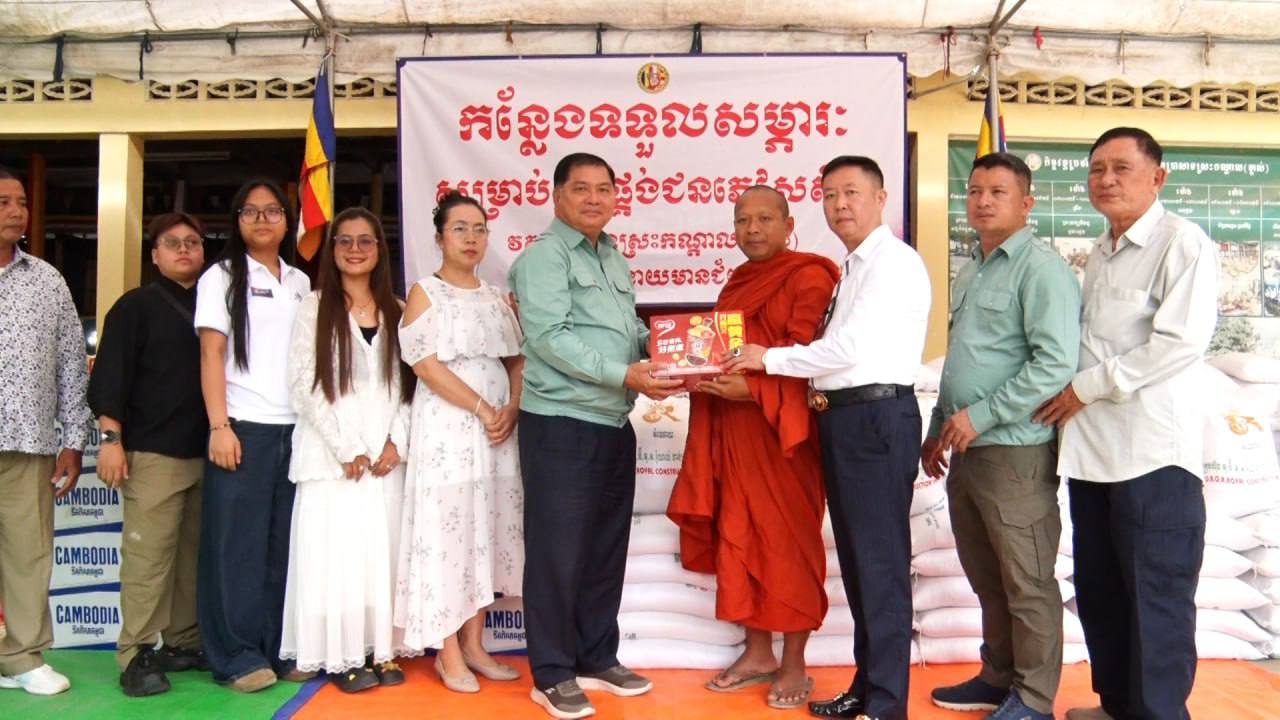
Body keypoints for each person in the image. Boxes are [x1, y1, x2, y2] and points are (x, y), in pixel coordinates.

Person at [725, 156, 930, 720]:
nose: (840, 205)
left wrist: (768, 359)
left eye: (852, 193)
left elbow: (846, 351)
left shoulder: (892, 263)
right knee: (862, 567)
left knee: (880, 566)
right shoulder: (854, 266)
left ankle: (886, 706)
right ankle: (867, 687)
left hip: (875, 419)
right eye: (830, 195)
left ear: (881, 198)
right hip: (844, 420)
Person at [1035, 127, 1218, 720]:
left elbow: (1179, 343)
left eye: (1121, 168)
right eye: (1097, 169)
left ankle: (1158, 713)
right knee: (1102, 589)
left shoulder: (1180, 242)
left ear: (1157, 177)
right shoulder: (1101, 249)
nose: (1106, 180)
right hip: (1092, 454)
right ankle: (1116, 705)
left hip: (1152, 456)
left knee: (1157, 596)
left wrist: (1084, 388)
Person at [509, 153, 682, 720]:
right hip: (561, 423)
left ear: (615, 197)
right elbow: (549, 337)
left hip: (611, 423)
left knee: (605, 549)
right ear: (557, 195)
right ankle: (552, 673)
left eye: (603, 189)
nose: (593, 199)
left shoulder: (611, 255)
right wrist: (624, 374)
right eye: (580, 188)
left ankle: (596, 657)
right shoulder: (545, 256)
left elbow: (628, 329)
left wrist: (668, 351)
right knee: (557, 553)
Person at [921, 153, 1081, 720]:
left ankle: (1034, 699)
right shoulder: (973, 269)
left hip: (1015, 452)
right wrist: (938, 427)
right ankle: (997, 677)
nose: (983, 201)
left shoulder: (1042, 270)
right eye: (975, 191)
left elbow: (1054, 364)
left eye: (998, 192)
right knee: (987, 576)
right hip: (967, 448)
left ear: (1027, 203)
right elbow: (964, 360)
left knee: (1027, 580)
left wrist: (981, 416)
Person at [667, 186, 837, 710]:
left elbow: (809, 356)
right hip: (735, 431)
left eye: (765, 218)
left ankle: (794, 663)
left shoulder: (810, 276)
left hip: (785, 434)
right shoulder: (737, 282)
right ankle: (758, 652)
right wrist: (699, 376)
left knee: (790, 542)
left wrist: (753, 388)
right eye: (743, 220)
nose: (753, 229)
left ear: (789, 225)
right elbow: (722, 352)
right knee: (740, 534)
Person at [395, 191, 526, 693]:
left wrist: (511, 407)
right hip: (448, 427)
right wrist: (482, 407)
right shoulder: (425, 292)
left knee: (484, 528)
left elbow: (517, 359)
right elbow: (425, 365)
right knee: (448, 532)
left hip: (497, 431)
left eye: (479, 229)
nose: (471, 238)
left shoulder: (495, 297)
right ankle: (447, 650)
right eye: (459, 229)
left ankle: (475, 643)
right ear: (439, 237)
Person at [280, 208, 413, 693]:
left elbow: (410, 386)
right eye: (344, 241)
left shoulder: (398, 309)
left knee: (381, 556)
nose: (355, 249)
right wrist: (347, 447)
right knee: (337, 558)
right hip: (332, 459)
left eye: (365, 241)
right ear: (332, 250)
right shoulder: (314, 308)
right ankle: (341, 657)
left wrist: (397, 441)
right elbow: (303, 384)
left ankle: (380, 650)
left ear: (380, 250)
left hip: (384, 460)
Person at [194, 178, 311, 693]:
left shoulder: (300, 282)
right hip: (242, 427)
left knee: (283, 545)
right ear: (236, 220)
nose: (262, 220)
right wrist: (219, 425)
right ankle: (235, 655)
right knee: (236, 547)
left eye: (272, 211)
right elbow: (211, 353)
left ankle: (276, 648)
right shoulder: (220, 276)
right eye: (250, 211)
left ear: (287, 221)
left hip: (297, 430)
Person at [88, 212, 212, 697]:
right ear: (154, 254)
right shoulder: (135, 306)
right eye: (172, 242)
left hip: (208, 453)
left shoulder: (216, 305)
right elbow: (109, 378)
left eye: (192, 242)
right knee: (148, 559)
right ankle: (136, 651)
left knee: (191, 560)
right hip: (152, 453)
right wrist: (111, 441)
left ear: (203, 252)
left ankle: (182, 641)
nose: (184, 249)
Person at [0, 165, 92, 696]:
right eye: (4, 202)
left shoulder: (47, 280)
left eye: (21, 202)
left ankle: (20, 656)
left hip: (28, 442)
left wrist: (73, 440)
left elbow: (71, 365)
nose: (17, 212)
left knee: (27, 553)